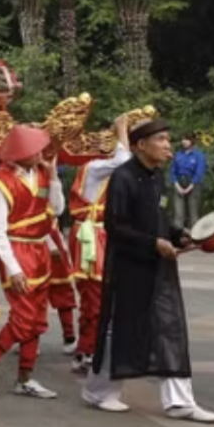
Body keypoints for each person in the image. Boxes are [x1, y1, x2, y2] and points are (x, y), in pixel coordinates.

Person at [82, 116, 214, 423]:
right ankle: (98, 390)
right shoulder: (123, 177)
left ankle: (180, 402)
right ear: (141, 145)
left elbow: (158, 218)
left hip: (158, 267)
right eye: (162, 140)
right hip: (129, 267)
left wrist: (178, 234)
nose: (168, 146)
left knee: (169, 327)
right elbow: (115, 226)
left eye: (168, 139)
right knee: (123, 329)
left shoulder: (157, 176)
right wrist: (153, 243)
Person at [0, 124, 65, 400]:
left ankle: (25, 377)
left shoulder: (42, 173)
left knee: (38, 317)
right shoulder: (0, 180)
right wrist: (14, 268)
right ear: (21, 152)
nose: (42, 153)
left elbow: (58, 209)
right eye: (35, 149)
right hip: (17, 250)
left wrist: (54, 177)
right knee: (23, 318)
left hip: (40, 250)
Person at [67, 111, 134, 376]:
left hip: (101, 237)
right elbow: (124, 161)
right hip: (91, 239)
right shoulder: (94, 168)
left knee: (99, 298)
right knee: (94, 298)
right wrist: (121, 129)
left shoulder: (105, 170)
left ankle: (88, 348)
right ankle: (87, 350)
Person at [170, 133, 204, 230]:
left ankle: (195, 235)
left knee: (193, 212)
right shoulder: (178, 154)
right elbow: (173, 171)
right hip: (179, 182)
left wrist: (190, 187)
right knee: (178, 212)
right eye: (183, 139)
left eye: (186, 139)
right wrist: (177, 185)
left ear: (192, 141)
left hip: (193, 183)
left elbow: (199, 172)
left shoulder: (198, 155)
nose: (183, 141)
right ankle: (178, 235)